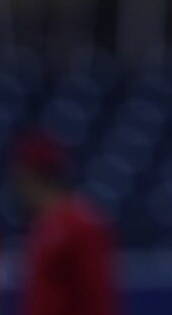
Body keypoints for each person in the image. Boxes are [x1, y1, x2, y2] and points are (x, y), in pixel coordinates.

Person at [9, 129, 121, 315]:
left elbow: (96, 296)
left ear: (33, 177)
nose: (16, 188)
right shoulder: (42, 224)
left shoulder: (81, 224)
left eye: (19, 179)